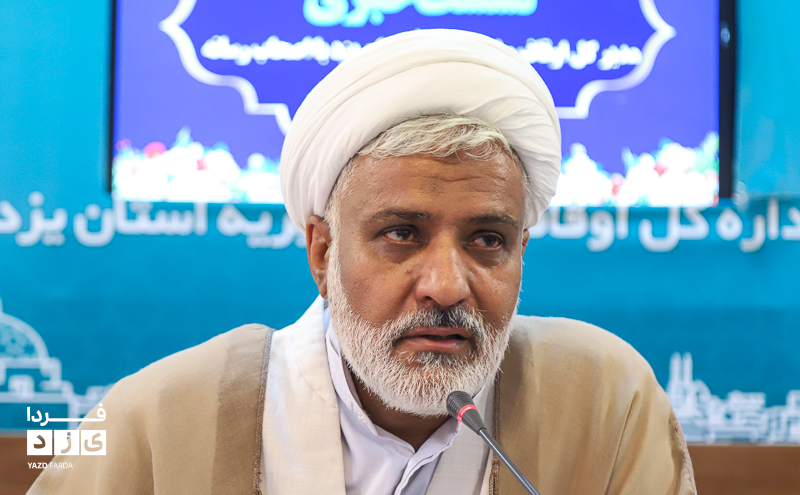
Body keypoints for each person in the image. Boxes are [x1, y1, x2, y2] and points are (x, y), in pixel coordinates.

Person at [29, 29, 696, 495]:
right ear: (322, 252)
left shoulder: (607, 403)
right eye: (402, 234)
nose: (446, 286)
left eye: (487, 239)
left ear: (521, 252)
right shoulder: (159, 416)